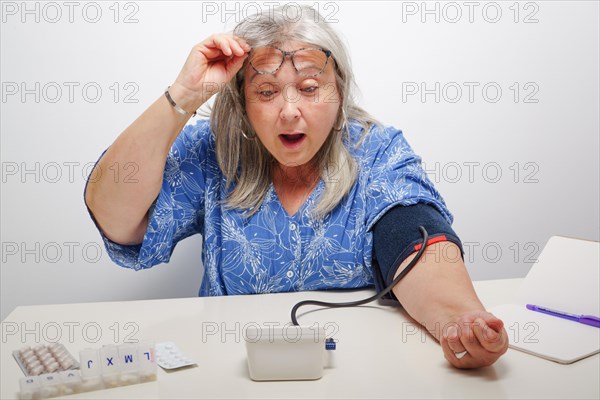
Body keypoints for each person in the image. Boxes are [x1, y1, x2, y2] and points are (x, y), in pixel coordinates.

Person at [84, 5, 508, 369]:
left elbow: (414, 235)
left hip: (358, 371)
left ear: (338, 92)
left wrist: (459, 320)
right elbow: (117, 219)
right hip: (232, 374)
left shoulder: (376, 150)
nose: (290, 111)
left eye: (309, 88)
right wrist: (183, 96)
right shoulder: (214, 152)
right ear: (243, 105)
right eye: (266, 91)